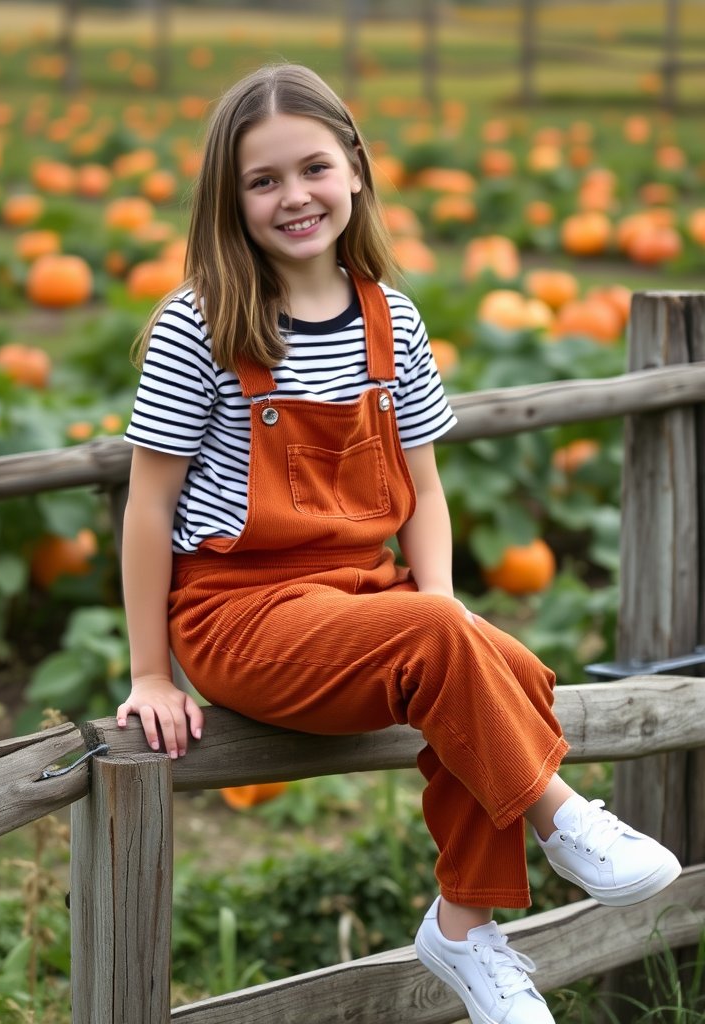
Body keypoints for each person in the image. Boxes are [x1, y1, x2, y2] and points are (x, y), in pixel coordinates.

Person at [116, 63, 681, 1024]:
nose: (294, 196)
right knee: (450, 642)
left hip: (363, 596)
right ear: (230, 197)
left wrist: (445, 602)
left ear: (355, 172)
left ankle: (464, 924)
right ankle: (559, 816)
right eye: (263, 180)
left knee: (515, 668)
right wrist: (152, 674)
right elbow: (145, 508)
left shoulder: (390, 317)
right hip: (239, 616)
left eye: (314, 168)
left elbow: (422, 487)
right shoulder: (205, 323)